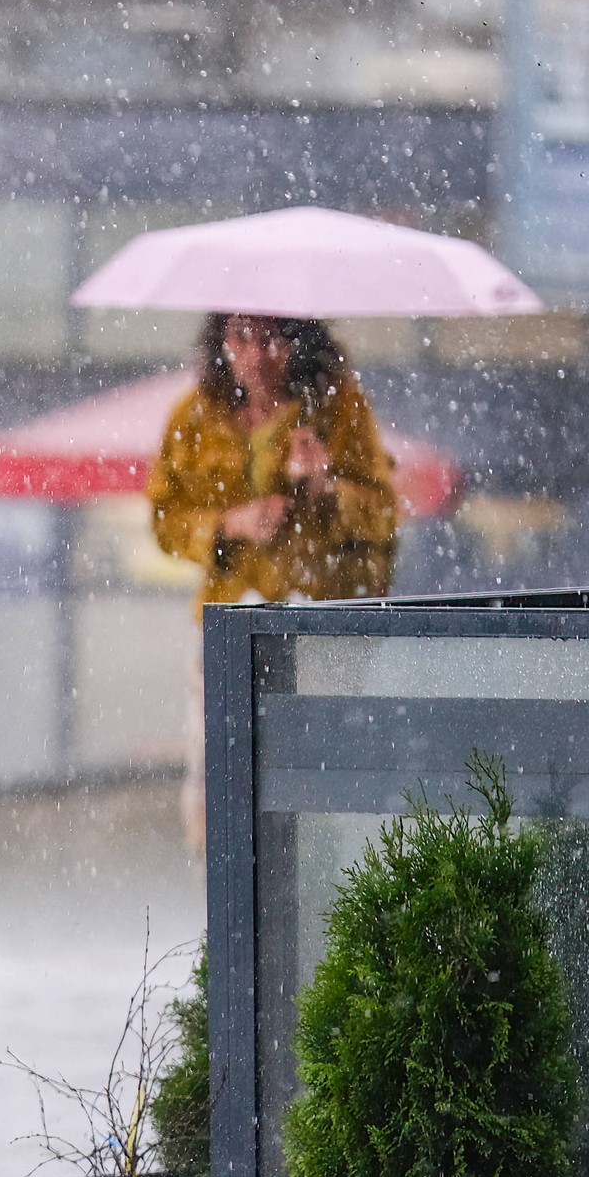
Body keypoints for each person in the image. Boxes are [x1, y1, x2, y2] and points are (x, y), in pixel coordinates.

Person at [147, 311, 400, 846]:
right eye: (240, 337)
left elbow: (381, 513)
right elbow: (165, 520)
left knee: (319, 785)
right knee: (223, 786)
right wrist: (227, 526)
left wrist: (327, 485)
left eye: (273, 339)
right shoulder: (194, 416)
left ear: (301, 341)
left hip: (322, 623)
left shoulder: (337, 408)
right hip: (229, 622)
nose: (255, 356)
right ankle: (229, 885)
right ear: (220, 340)